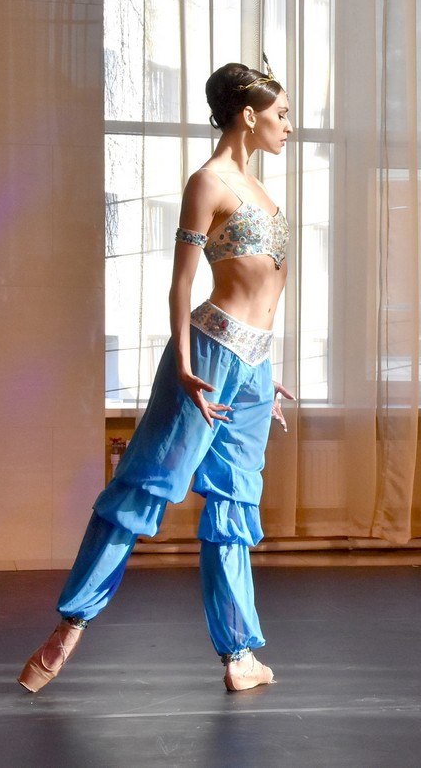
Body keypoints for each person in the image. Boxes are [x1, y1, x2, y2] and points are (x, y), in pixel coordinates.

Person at [18, 61, 295, 693]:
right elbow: (181, 283)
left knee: (233, 503)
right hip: (208, 356)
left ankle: (239, 654)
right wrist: (187, 366)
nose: (288, 127)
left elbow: (265, 290)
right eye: (281, 115)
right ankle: (69, 626)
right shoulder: (208, 183)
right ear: (247, 116)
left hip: (254, 363)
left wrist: (262, 372)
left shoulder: (258, 189)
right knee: (143, 489)